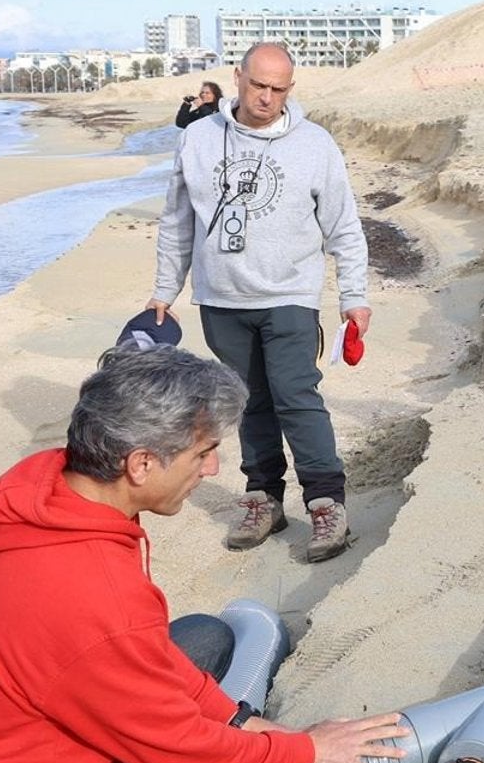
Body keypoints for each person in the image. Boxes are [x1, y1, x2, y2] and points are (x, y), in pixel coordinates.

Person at [0, 345, 407, 763]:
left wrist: (239, 722)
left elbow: (133, 652)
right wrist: (308, 748)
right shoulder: (91, 599)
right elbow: (180, 746)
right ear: (141, 464)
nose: (212, 468)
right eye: (202, 452)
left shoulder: (50, 486)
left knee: (207, 635)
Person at [147, 41, 370, 563]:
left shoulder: (315, 144)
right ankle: (264, 499)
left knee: (297, 395)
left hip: (289, 294)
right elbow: (178, 220)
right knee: (249, 403)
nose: (267, 98)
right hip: (220, 298)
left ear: (290, 90)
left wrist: (354, 296)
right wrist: (165, 289)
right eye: (258, 85)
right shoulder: (199, 139)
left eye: (278, 89)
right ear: (238, 78)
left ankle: (325, 502)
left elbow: (344, 225)